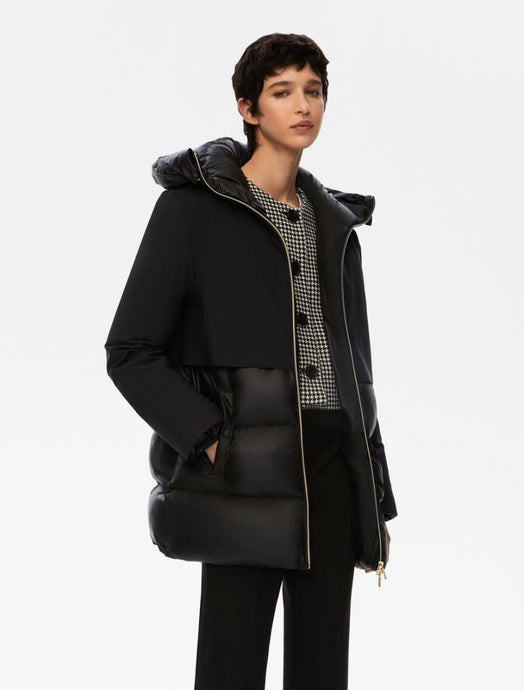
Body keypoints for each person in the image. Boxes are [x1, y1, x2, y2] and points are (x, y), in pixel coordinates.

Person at [104, 32, 398, 690]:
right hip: (243, 472)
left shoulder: (334, 225)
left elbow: (356, 372)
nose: (303, 106)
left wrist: (374, 497)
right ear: (248, 108)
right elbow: (130, 351)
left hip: (332, 472)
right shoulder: (193, 211)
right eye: (283, 91)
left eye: (314, 91)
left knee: (323, 672)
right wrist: (210, 436)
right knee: (230, 670)